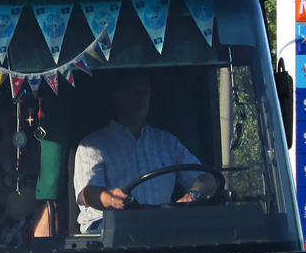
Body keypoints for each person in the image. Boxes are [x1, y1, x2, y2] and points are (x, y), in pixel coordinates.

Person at [73, 70, 217, 233]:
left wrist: (193, 194)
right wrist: (111, 199)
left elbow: (208, 177)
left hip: (161, 229)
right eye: (133, 93)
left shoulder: (166, 142)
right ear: (116, 97)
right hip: (108, 231)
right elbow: (88, 193)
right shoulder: (92, 145)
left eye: (144, 93)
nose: (140, 99)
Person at [0, 101, 52, 246]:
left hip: (42, 220)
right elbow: (2, 200)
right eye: (7, 110)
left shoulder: (41, 154)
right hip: (4, 229)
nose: (14, 116)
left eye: (20, 111)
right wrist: (33, 196)